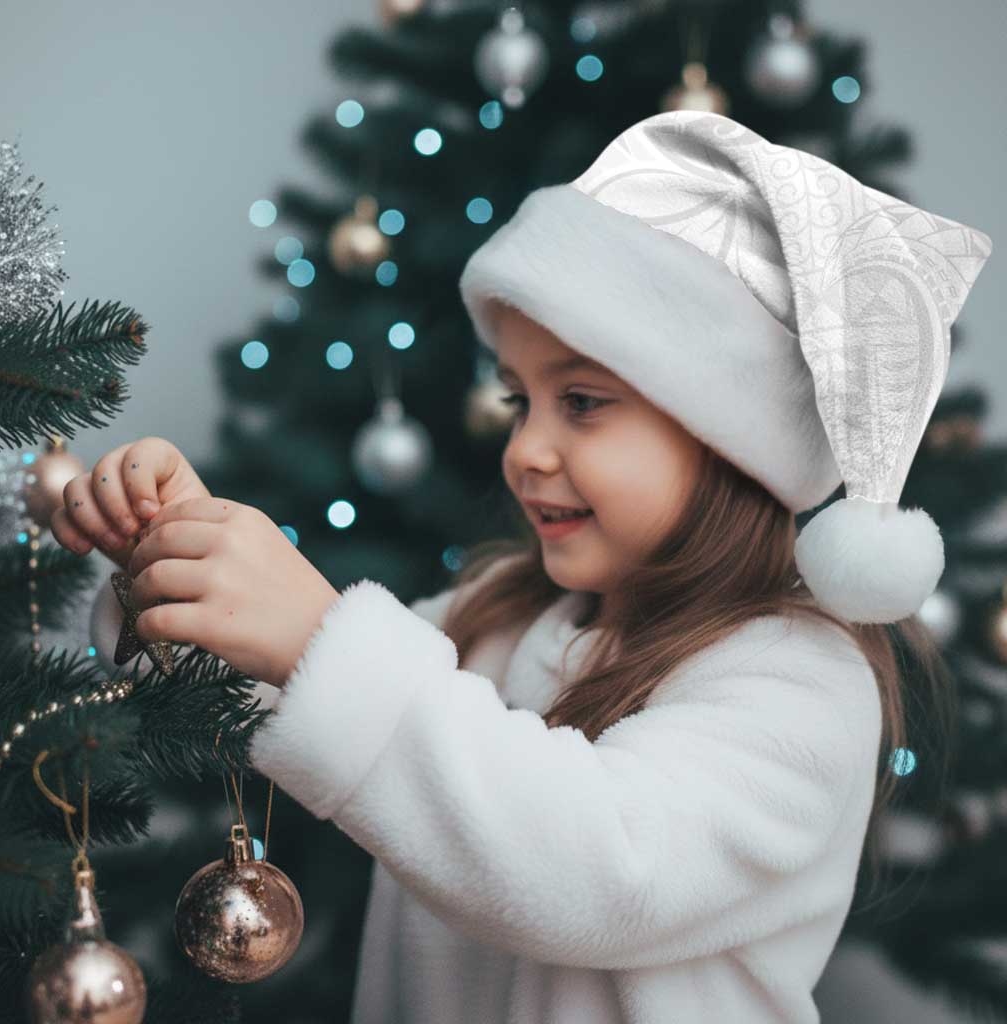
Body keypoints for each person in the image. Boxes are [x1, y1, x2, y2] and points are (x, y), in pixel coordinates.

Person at [54, 110, 992, 1023]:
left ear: (730, 441)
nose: (526, 450)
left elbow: (598, 869)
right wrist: (173, 565)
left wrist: (317, 637)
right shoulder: (498, 617)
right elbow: (287, 693)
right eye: (518, 402)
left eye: (581, 402)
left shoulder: (801, 683)